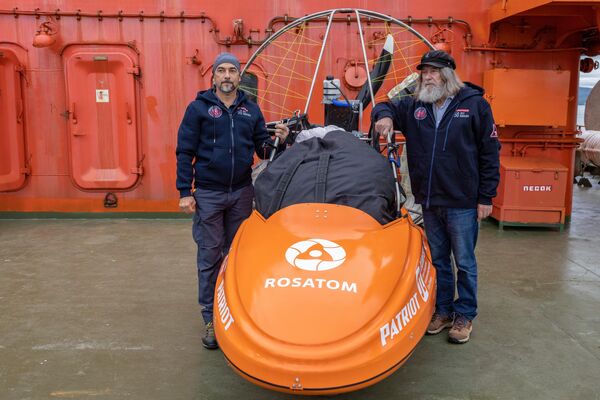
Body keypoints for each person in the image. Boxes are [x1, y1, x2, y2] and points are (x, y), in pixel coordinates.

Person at [372, 50, 500, 344]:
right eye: (423, 72)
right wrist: (386, 118)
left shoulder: (475, 106)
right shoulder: (416, 106)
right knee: (440, 260)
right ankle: (443, 311)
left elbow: (490, 153)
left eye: (433, 71)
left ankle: (464, 315)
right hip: (429, 200)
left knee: (465, 262)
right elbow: (383, 105)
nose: (427, 77)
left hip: (463, 201)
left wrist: (486, 197)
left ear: (448, 75)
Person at [176, 52, 289, 349]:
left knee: (238, 254)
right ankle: (211, 318)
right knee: (210, 256)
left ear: (240, 77)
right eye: (221, 71)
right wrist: (185, 192)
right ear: (213, 76)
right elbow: (184, 152)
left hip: (241, 192)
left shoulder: (250, 110)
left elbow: (263, 151)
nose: (227, 76)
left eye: (232, 71)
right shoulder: (197, 109)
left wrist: (280, 138)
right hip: (209, 195)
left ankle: (238, 312)